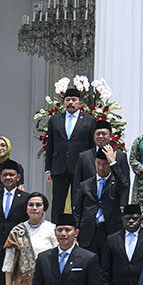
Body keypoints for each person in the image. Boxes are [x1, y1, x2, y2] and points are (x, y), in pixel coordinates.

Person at [45, 86, 96, 217]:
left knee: (78, 201)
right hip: (59, 166)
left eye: (74, 99)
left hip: (80, 167)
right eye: (68, 100)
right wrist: (48, 169)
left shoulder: (89, 120)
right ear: (64, 102)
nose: (71, 103)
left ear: (79, 102)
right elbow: (50, 145)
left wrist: (91, 167)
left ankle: (77, 231)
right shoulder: (55, 120)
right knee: (57, 202)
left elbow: (92, 146)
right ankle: (55, 230)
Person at [73, 148, 126, 259]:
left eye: (105, 164)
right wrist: (76, 231)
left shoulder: (115, 183)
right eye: (98, 163)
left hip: (109, 230)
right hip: (88, 231)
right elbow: (77, 210)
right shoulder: (85, 185)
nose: (101, 168)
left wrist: (113, 163)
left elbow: (124, 185)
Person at [74, 122, 130, 206]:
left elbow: (125, 183)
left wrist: (123, 206)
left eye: (104, 134)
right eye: (98, 134)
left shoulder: (120, 156)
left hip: (112, 209)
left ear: (110, 136)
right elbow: (77, 185)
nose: (100, 136)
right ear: (93, 136)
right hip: (90, 209)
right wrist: (76, 207)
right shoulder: (84, 156)